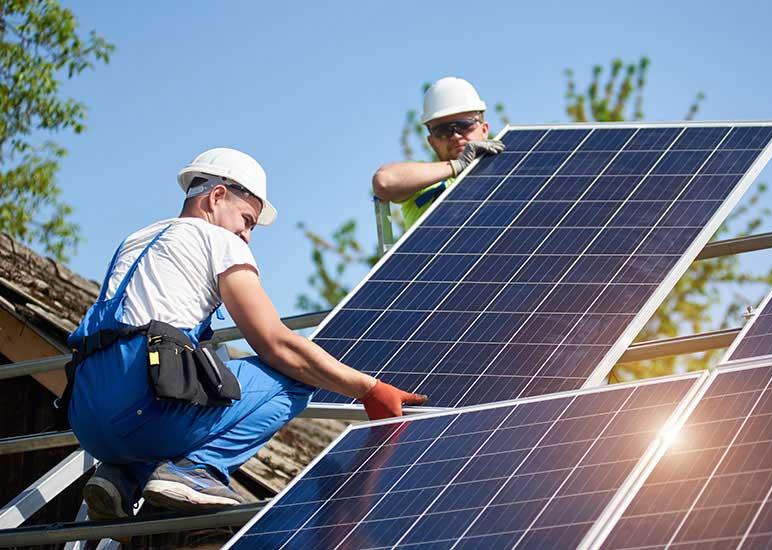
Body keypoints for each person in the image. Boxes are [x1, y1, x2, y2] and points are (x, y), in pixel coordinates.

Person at [65, 147, 427, 518]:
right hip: (142, 407)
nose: (247, 236)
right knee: (295, 378)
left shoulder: (139, 239)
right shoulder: (219, 242)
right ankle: (197, 470)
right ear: (217, 196)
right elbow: (277, 345)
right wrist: (368, 388)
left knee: (193, 369)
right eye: (247, 220)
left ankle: (121, 476)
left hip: (87, 419)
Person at [372, 77, 506, 230]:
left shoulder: (510, 173)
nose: (455, 136)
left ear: (484, 130)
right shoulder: (424, 181)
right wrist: (458, 165)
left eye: (464, 125)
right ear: (432, 141)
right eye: (443, 131)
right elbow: (384, 181)